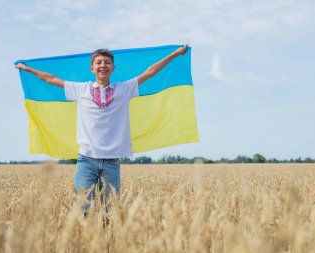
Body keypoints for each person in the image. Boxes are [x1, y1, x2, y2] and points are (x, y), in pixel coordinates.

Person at [15, 44, 188, 214]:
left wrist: (174, 54)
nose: (103, 65)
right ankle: (86, 241)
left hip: (112, 160)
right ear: (92, 68)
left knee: (111, 210)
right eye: (98, 62)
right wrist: (27, 68)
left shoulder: (124, 88)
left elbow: (150, 72)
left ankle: (108, 241)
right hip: (86, 159)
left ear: (113, 67)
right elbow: (51, 79)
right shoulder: (81, 89)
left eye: (107, 62)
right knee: (83, 208)